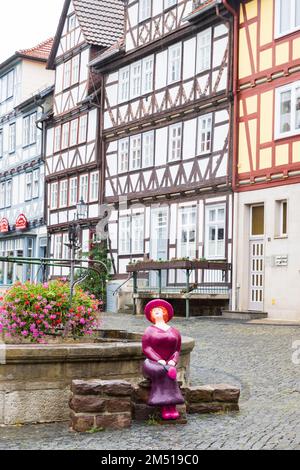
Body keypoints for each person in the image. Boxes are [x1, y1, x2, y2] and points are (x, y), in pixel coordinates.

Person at [142, 299, 185, 420]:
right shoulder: (149, 330)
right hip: (152, 362)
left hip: (168, 363)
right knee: (165, 371)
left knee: (168, 370)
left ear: (164, 313)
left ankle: (170, 407)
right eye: (154, 311)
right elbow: (146, 348)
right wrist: (158, 359)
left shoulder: (174, 331)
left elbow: (177, 349)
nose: (156, 312)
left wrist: (173, 360)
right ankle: (168, 407)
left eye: (159, 310)